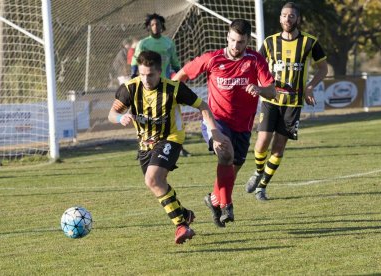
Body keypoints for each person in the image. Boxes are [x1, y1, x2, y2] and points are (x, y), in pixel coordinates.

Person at [108, 50, 230, 244]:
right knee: (158, 184)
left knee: (152, 179)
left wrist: (214, 132)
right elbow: (112, 114)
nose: (146, 79)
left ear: (160, 72)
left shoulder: (174, 89)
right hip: (145, 144)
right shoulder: (129, 89)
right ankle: (184, 214)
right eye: (142, 74)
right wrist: (121, 117)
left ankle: (181, 226)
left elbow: (203, 106)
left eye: (151, 75)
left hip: (170, 139)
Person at [173, 19, 276, 227]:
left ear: (248, 41)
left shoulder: (255, 60)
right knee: (226, 154)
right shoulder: (212, 58)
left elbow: (272, 91)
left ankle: (214, 200)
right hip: (215, 120)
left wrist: (259, 89)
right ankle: (227, 205)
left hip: (243, 126)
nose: (235, 46)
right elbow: (182, 75)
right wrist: (169, 95)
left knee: (232, 166)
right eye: (232, 40)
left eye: (240, 42)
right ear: (227, 37)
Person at [245, 2, 328, 201]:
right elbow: (256, 66)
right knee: (262, 142)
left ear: (297, 19)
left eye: (291, 16)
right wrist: (259, 87)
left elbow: (323, 68)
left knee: (279, 147)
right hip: (271, 99)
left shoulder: (310, 42)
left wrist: (309, 86)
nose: (287, 19)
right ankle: (257, 172)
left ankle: (262, 187)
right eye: (284, 15)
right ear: (280, 18)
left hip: (293, 103)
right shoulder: (269, 42)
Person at [130, 13, 191, 157]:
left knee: (173, 118)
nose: (155, 27)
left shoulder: (168, 43)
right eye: (152, 24)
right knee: (146, 118)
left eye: (157, 24)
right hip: (148, 87)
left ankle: (178, 147)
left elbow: (175, 63)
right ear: (148, 27)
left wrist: (183, 75)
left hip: (166, 87)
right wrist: (133, 77)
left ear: (162, 26)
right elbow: (135, 62)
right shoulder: (144, 44)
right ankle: (144, 148)